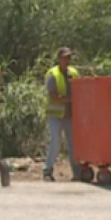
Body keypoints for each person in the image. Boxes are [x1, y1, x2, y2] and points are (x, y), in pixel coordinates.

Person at [43, 47, 81, 181]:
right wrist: (71, 99)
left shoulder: (74, 73)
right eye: (64, 57)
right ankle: (47, 170)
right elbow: (54, 97)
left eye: (69, 57)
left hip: (70, 115)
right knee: (56, 142)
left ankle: (77, 172)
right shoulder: (53, 75)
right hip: (56, 115)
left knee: (73, 144)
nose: (67, 60)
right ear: (59, 59)